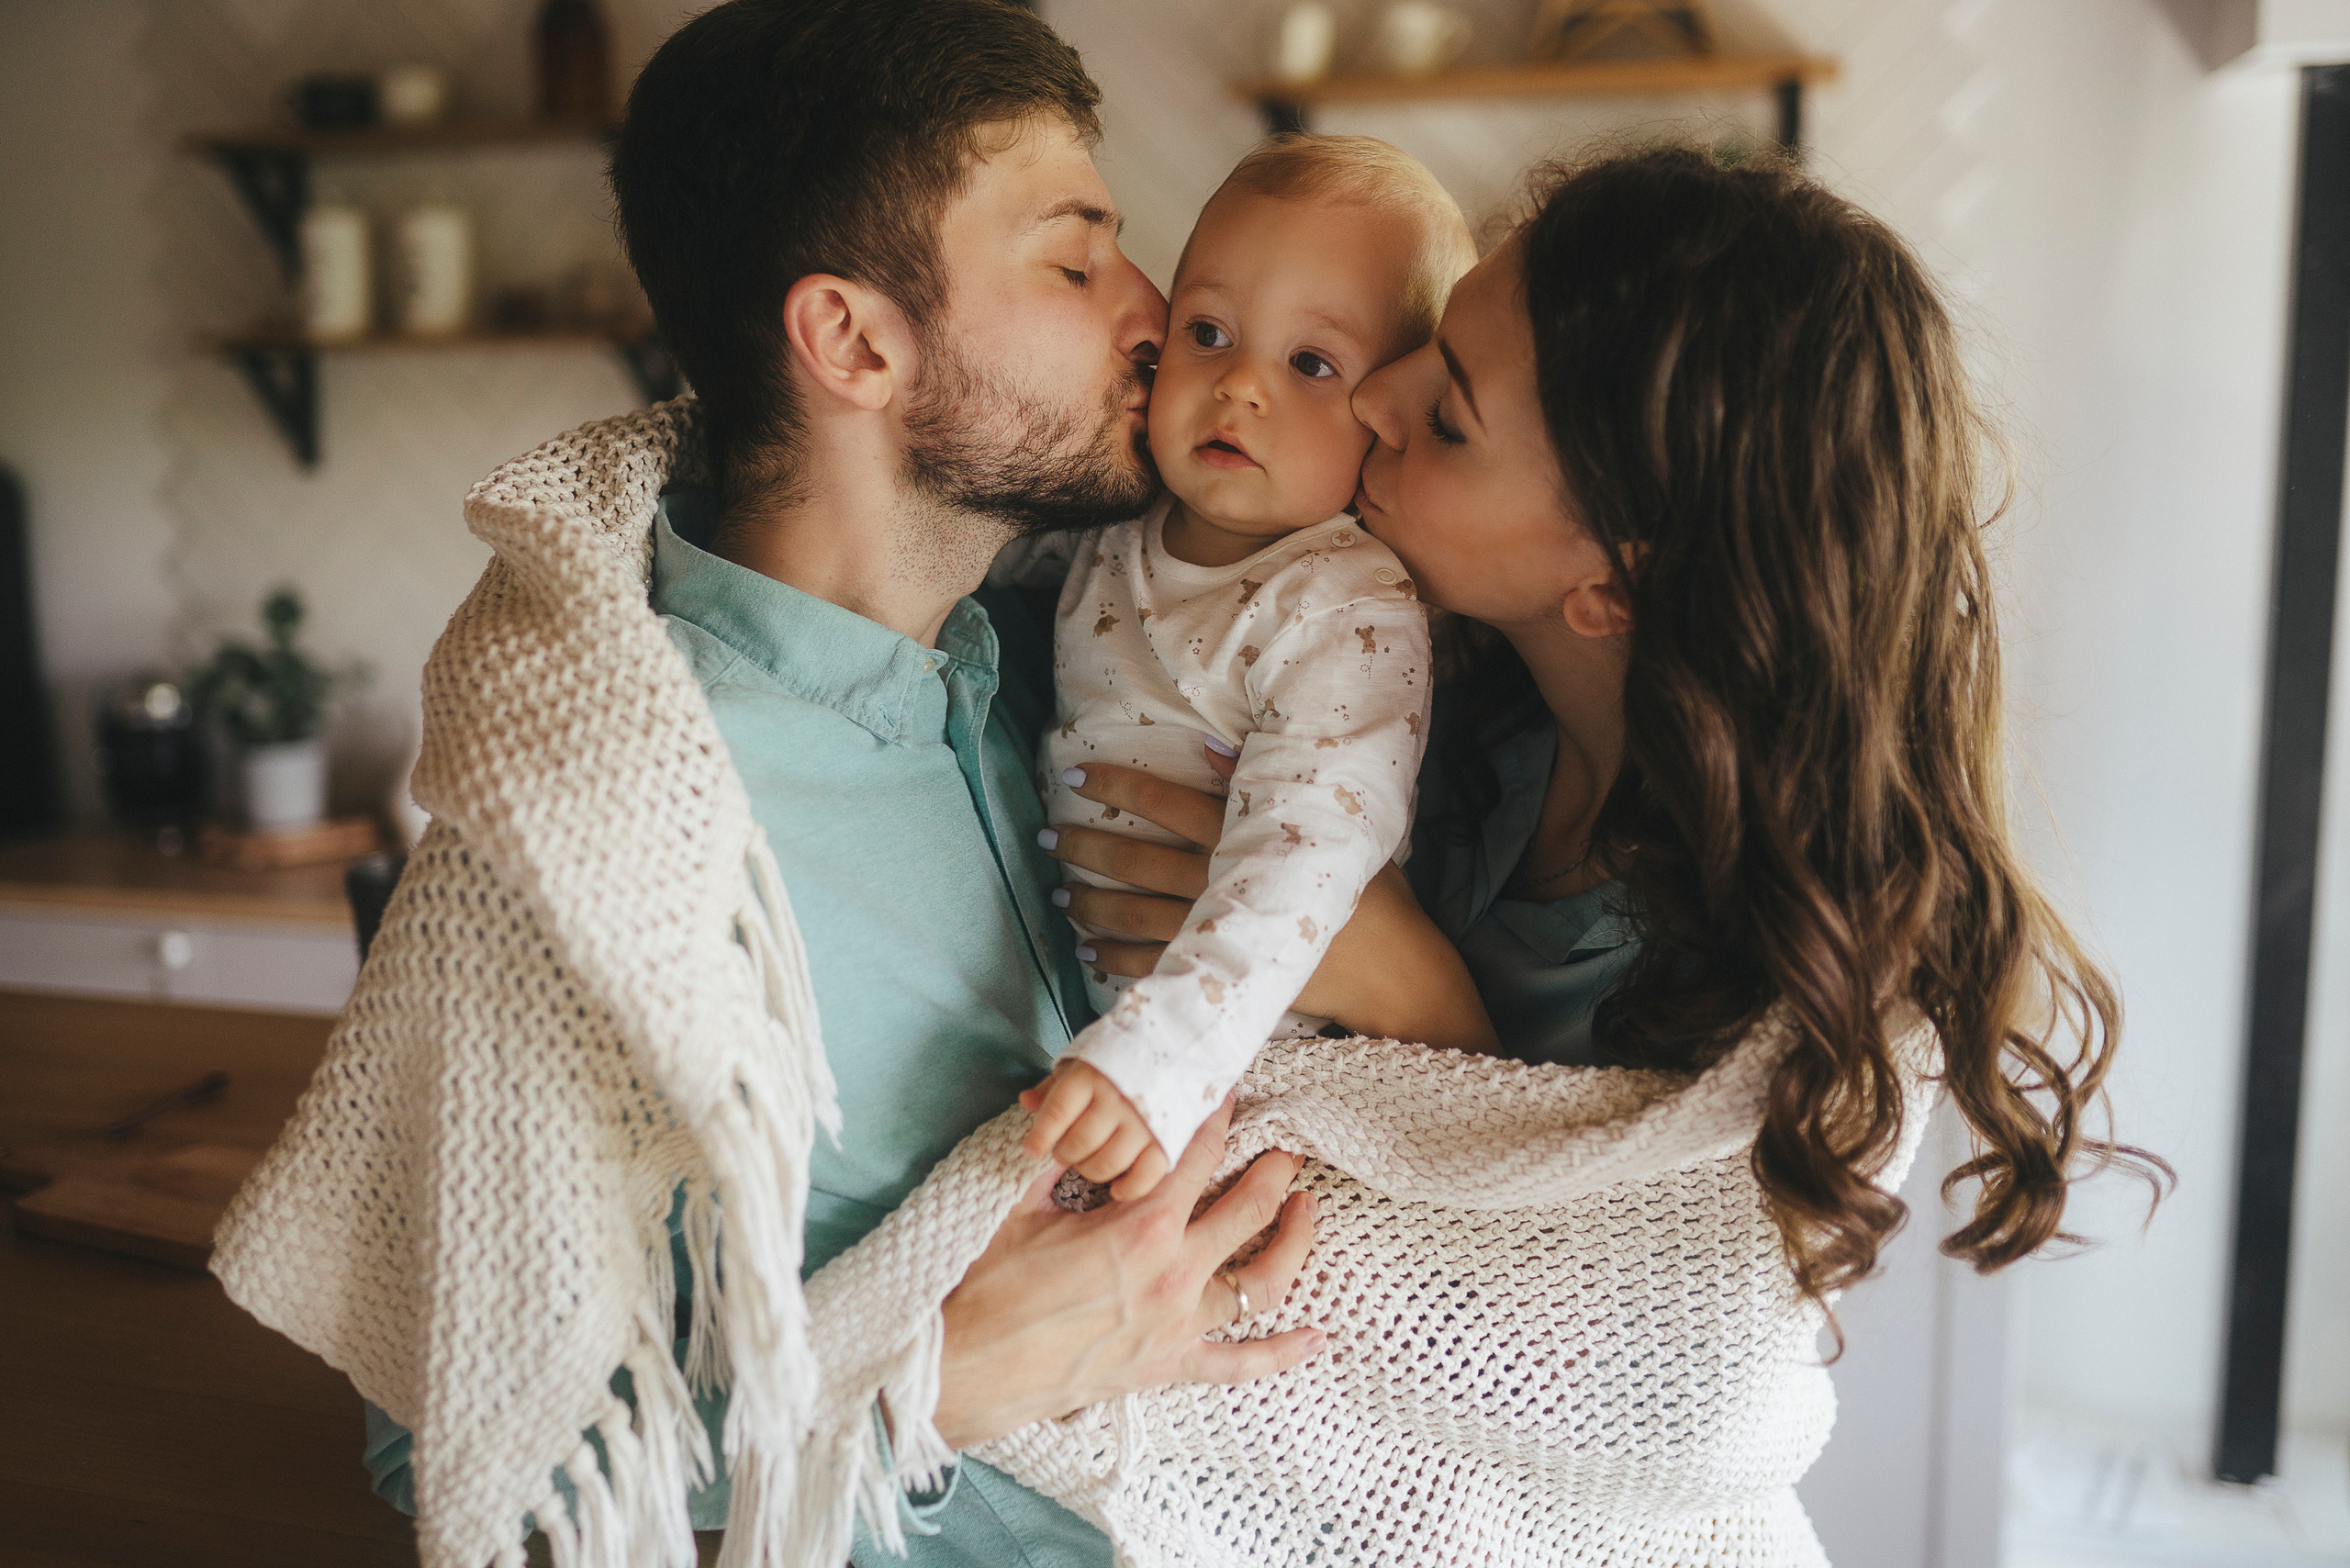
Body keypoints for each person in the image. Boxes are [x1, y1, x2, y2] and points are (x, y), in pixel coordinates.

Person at [208, 5, 1329, 1567]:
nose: (1155, 313)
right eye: (1078, 262)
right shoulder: (598, 829)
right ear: (854, 341)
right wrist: (948, 1378)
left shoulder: (1090, 651)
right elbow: (469, 1471)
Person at [1026, 144, 2163, 1561]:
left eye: (1447, 416)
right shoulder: (1428, 685)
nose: (1378, 393)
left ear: (1610, 583)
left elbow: (1625, 1355)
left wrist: (1412, 994)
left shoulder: (1774, 943)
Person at [1016, 134, 1483, 1203]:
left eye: (1309, 363)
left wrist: (1159, 1060)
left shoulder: (1346, 605)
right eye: (1210, 331)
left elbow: (1301, 862)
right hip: (1104, 1040)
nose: (1237, 387)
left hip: (1273, 1064)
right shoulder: (1117, 529)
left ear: (1385, 414)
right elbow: (964, 532)